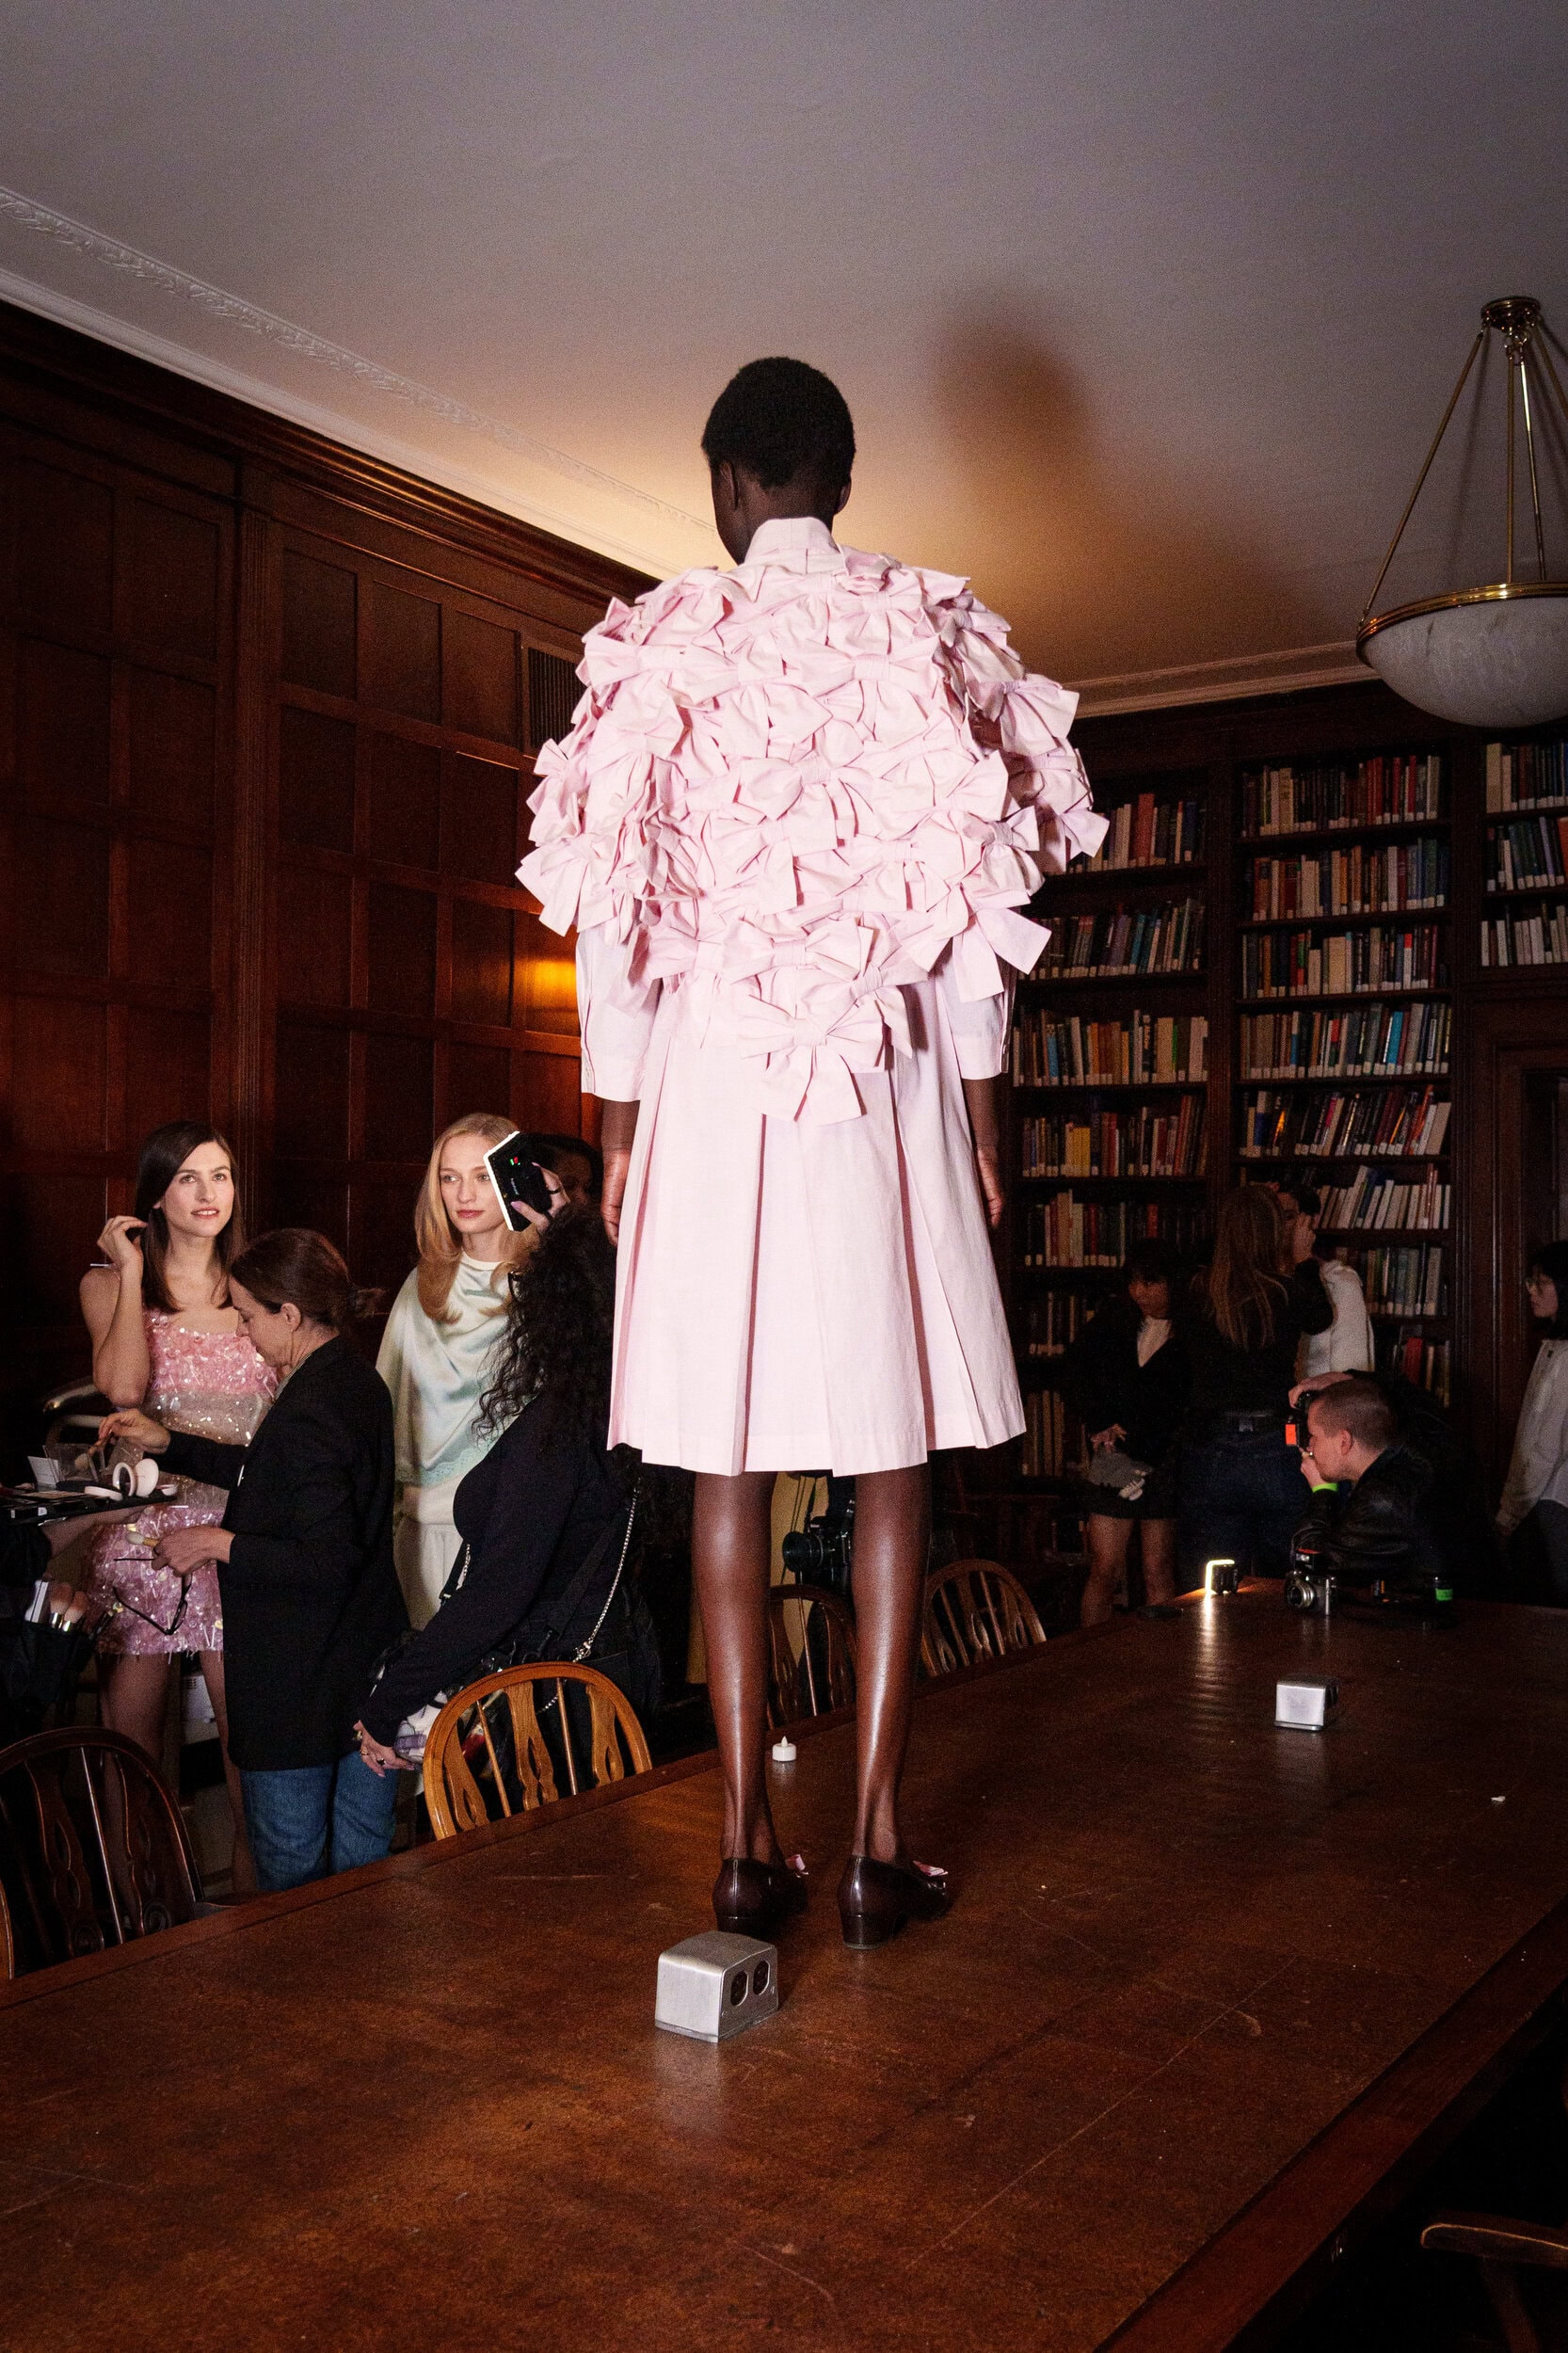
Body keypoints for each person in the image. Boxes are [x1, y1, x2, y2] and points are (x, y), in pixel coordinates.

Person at [520, 356, 1102, 1948]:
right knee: (890, 1448)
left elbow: (613, 932)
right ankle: (874, 1842)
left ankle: (738, 1846)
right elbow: (984, 922)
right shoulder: (932, 633)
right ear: (841, 479)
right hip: (886, 1086)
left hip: (714, 1089)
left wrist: (622, 1133)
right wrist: (984, 1121)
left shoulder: (661, 647)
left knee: (726, 1454)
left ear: (724, 484)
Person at [99, 1230, 408, 1894]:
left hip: (299, 1685)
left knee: (293, 1886)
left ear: (289, 1314)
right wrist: (170, 1443)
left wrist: (215, 1543)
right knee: (364, 1880)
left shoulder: (310, 1408)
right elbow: (275, 1477)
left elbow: (325, 1560)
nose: (243, 1331)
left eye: (247, 1315)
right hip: (361, 1673)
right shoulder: (354, 1380)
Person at [355, 1208, 668, 1780]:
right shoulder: (625, 1413)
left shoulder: (558, 1429)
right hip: (614, 1667)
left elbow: (499, 1591)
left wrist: (386, 1704)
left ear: (551, 1310)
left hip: (555, 1699)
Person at [77, 1121, 275, 1891]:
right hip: (143, 1534)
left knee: (248, 1740)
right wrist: (130, 1273)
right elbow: (124, 1390)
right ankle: (139, 1904)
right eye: (188, 1178)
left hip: (241, 1531)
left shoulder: (264, 1287)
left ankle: (256, 1898)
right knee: (132, 1746)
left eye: (221, 1176)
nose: (207, 1194)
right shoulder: (107, 1282)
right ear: (154, 1195)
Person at [376, 1114, 552, 1628]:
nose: (464, 1194)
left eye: (482, 1176)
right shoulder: (422, 1283)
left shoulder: (546, 1284)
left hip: (509, 1523)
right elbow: (387, 1400)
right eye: (449, 1178)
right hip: (421, 1518)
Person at [1178, 1186, 1333, 1584]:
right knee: (1283, 1579)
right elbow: (1319, 1316)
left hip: (1212, 1443)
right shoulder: (1283, 1290)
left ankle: (1213, 1648)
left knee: (1211, 1583)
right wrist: (1303, 1261)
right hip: (1273, 1440)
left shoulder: (1198, 1291)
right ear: (1271, 1233)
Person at [1059, 1240, 1185, 1625]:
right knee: (1105, 1568)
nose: (1140, 1292)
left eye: (1151, 1282)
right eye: (1133, 1282)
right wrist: (1098, 1421)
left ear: (1173, 1282)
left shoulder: (1193, 1327)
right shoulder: (1114, 1318)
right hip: (1118, 1454)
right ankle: (1091, 1661)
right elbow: (1074, 1371)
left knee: (1158, 1570)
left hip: (1164, 1458)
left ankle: (1163, 1667)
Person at [1291, 1376, 1446, 1596]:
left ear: (1344, 1441)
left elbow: (1315, 1564)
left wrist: (1322, 1492)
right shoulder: (1414, 1459)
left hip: (1425, 1623)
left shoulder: (1381, 1498)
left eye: (1314, 1436)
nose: (1309, 1445)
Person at [1496, 1241, 1568, 1601]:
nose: (1530, 1290)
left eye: (1541, 1282)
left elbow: (1544, 1446)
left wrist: (1509, 1514)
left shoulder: (1565, 1357)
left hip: (1554, 1502)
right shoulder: (1553, 1345)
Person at [1273, 1179, 1372, 1382]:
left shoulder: (1339, 1281)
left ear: (1312, 1221)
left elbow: (1351, 1368)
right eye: (1269, 1218)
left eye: (1287, 1217)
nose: (1276, 1228)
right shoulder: (1263, 1281)